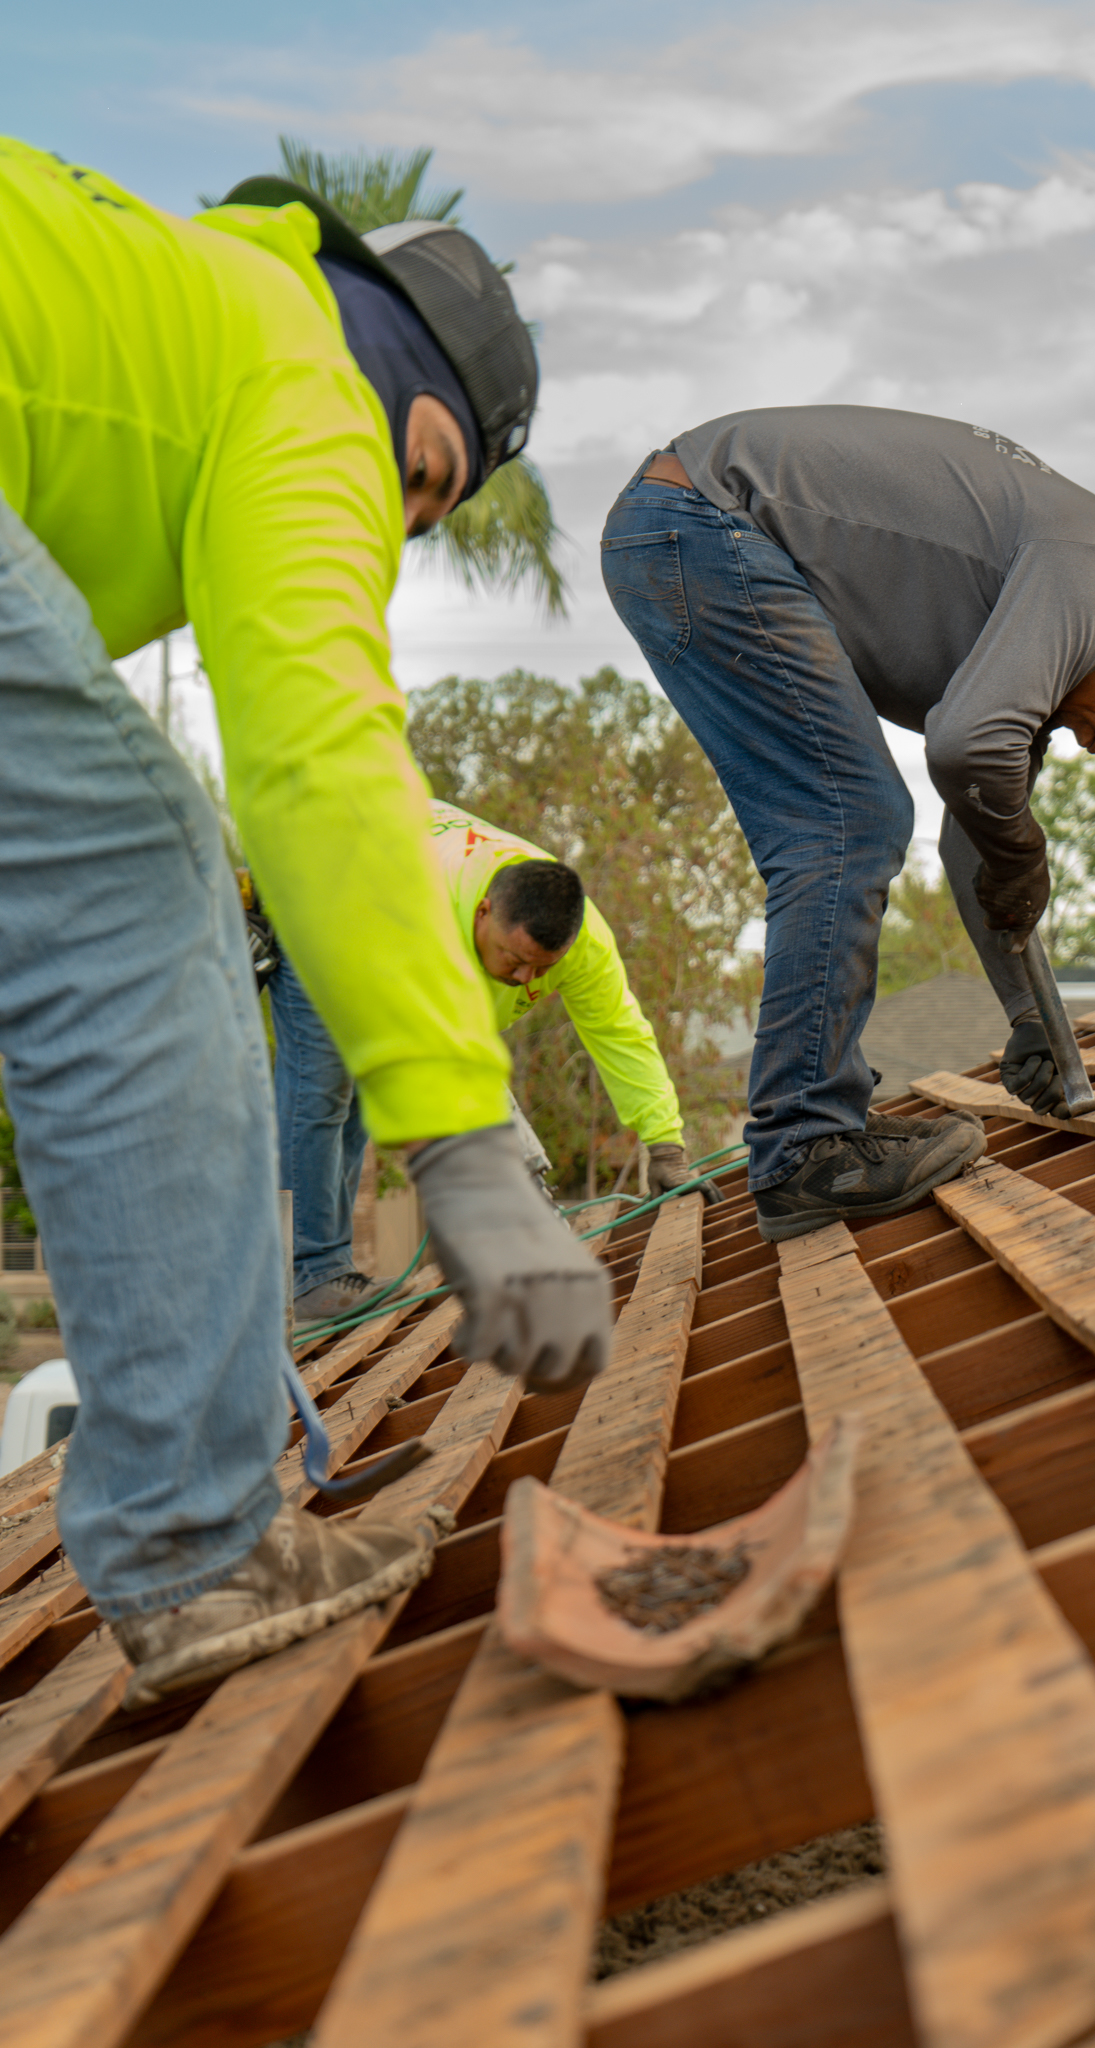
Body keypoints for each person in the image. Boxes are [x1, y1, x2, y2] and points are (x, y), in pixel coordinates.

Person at [0, 141, 611, 1708]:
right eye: (425, 496)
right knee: (136, 884)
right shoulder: (311, 375)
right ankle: (195, 1543)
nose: (399, 531)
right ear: (421, 415)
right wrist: (468, 1152)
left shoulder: (169, 304)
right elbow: (318, 763)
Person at [601, 408, 1095, 1242]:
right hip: (704, 524)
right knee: (851, 821)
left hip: (685, 528)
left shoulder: (1037, 660)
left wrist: (1028, 1014)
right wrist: (1023, 848)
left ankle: (810, 1132)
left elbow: (973, 838)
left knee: (845, 820)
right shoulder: (1092, 574)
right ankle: (804, 1147)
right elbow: (966, 753)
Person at [270, 799, 720, 1318]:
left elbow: (622, 1036)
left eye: (542, 968)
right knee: (323, 1087)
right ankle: (312, 1274)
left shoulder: (583, 943)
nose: (528, 979)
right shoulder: (422, 914)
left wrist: (665, 1146)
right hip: (323, 898)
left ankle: (329, 1270)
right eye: (516, 959)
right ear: (483, 912)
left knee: (352, 1109)